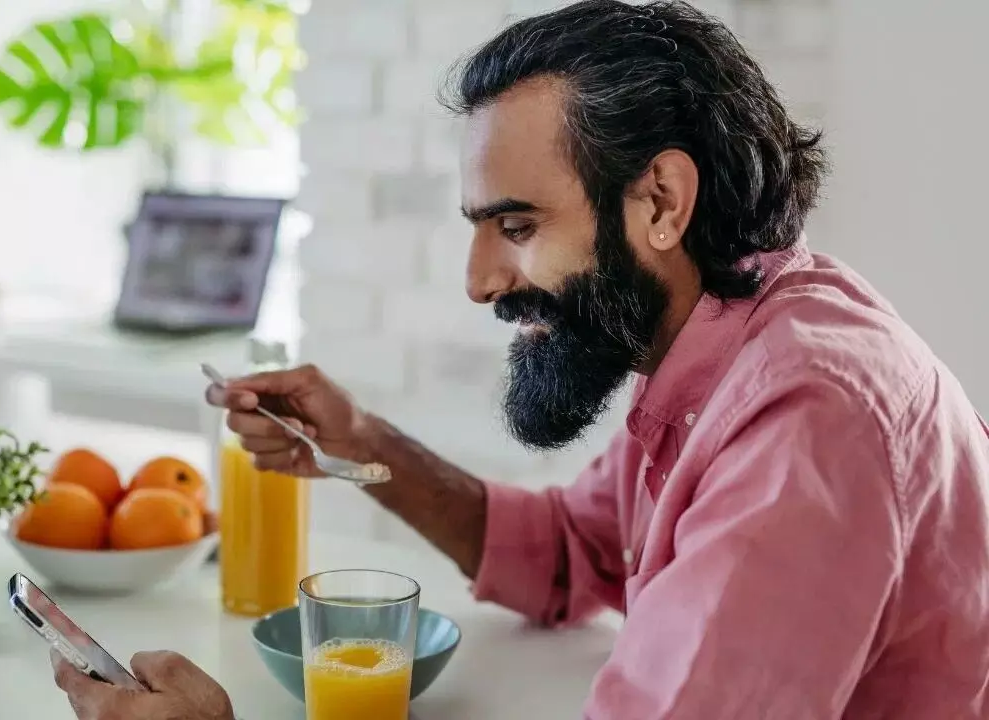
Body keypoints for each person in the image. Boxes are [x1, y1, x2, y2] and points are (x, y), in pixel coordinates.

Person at [52, 0, 989, 717]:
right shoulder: (726, 343)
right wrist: (359, 441)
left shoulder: (803, 421)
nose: (479, 281)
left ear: (661, 200)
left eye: (517, 224)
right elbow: (573, 554)